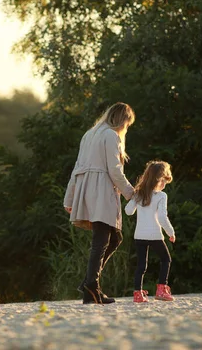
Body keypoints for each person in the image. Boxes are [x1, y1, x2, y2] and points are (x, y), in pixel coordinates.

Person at [63, 102, 136, 305]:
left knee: (114, 237)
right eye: (127, 124)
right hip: (101, 190)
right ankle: (91, 285)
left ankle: (89, 286)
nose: (126, 129)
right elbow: (115, 171)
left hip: (86, 189)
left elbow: (77, 167)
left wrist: (70, 197)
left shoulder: (89, 134)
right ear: (122, 120)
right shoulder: (111, 136)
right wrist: (132, 194)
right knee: (102, 239)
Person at [124, 160, 175, 303]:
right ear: (159, 179)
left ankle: (138, 294)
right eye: (164, 181)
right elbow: (162, 217)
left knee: (141, 265)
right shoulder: (161, 196)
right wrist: (170, 232)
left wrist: (134, 197)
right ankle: (161, 289)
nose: (165, 185)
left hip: (139, 235)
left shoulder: (139, 193)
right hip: (155, 235)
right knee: (166, 259)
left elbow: (128, 211)